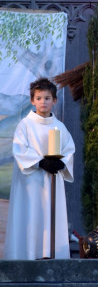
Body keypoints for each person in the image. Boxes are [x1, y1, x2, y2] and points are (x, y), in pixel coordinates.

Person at [4, 78, 75, 260]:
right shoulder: (25, 125)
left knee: (50, 216)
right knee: (31, 215)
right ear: (32, 101)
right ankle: (27, 255)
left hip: (52, 180)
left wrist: (62, 163)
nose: (43, 102)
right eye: (39, 98)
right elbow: (20, 149)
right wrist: (40, 162)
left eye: (47, 98)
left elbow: (68, 149)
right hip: (31, 182)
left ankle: (50, 254)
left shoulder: (59, 127)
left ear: (54, 101)